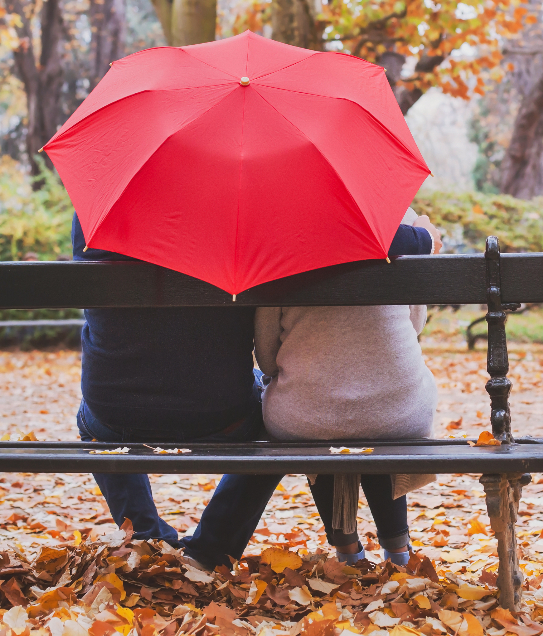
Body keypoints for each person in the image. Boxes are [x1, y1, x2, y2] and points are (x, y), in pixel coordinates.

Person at [72, 211, 441, 568]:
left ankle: (144, 537)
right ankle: (212, 549)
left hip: (114, 410)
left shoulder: (96, 209)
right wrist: (422, 237)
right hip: (220, 414)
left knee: (91, 421)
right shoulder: (236, 206)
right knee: (268, 423)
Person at [252, 208, 442, 567]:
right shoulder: (397, 222)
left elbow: (265, 355)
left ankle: (348, 550)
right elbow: (414, 325)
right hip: (400, 413)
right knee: (380, 411)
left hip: (304, 419)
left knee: (315, 409)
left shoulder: (277, 236)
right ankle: (398, 549)